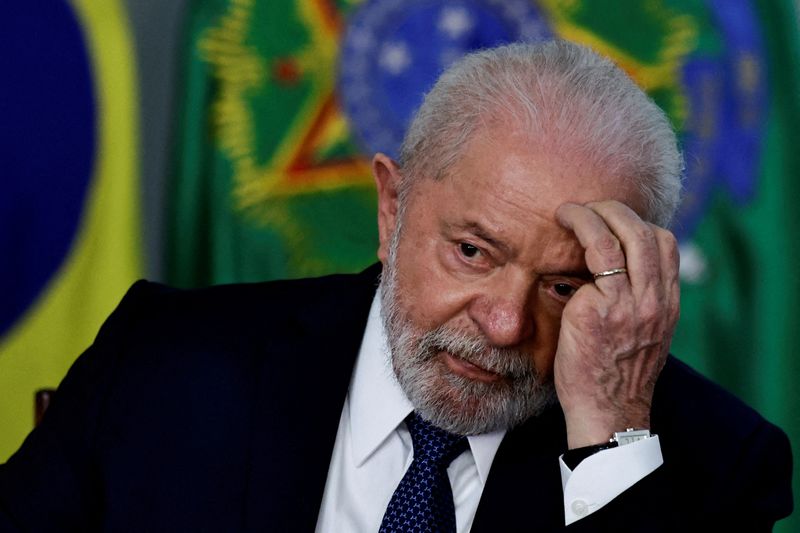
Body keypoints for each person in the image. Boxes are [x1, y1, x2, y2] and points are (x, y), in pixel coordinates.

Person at [0, 40, 792, 532]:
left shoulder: (710, 466)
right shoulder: (164, 362)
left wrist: (612, 431)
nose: (506, 322)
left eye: (561, 285)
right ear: (391, 207)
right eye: (474, 251)